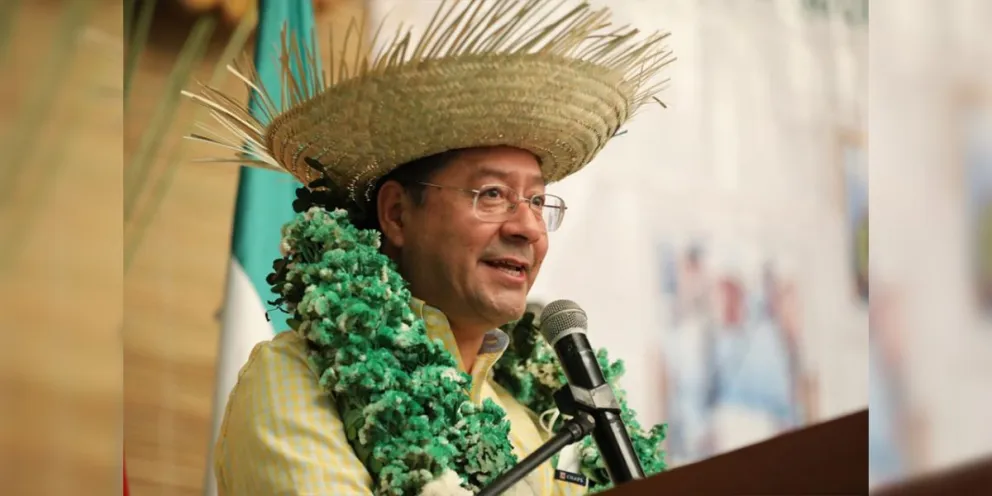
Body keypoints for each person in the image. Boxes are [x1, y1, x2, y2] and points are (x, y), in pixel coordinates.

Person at [185, 1, 672, 494]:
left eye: (538, 200)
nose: (528, 227)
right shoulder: (297, 378)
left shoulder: (538, 424)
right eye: (492, 194)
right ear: (398, 214)